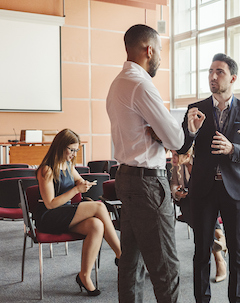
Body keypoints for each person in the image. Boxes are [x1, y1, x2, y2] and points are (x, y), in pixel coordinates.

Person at [106, 24, 184, 302]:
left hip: (125, 177)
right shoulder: (141, 84)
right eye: (160, 50)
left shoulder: (117, 84)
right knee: (166, 268)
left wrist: (157, 132)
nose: (161, 57)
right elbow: (176, 138)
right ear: (149, 50)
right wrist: (180, 131)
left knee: (131, 262)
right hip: (148, 183)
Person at [178, 53, 240, 303]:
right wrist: (190, 133)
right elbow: (181, 148)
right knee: (201, 251)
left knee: (238, 253)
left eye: (220, 72)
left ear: (233, 77)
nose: (213, 76)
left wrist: (233, 150)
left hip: (234, 190)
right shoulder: (196, 109)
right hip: (202, 190)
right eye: (211, 71)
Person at [34, 128, 121, 297]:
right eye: (71, 150)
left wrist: (84, 183)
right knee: (99, 207)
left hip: (65, 214)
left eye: (76, 150)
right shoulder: (46, 170)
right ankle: (121, 255)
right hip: (49, 217)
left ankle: (84, 276)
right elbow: (50, 204)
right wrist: (76, 190)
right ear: (60, 147)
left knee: (96, 225)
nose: (74, 154)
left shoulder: (68, 165)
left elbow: (79, 180)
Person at [169, 149, 228, 283]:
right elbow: (173, 183)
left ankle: (219, 256)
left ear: (187, 155)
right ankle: (221, 243)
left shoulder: (201, 162)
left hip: (205, 199)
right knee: (197, 217)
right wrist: (176, 192)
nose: (172, 157)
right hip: (187, 202)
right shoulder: (177, 167)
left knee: (205, 216)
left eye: (176, 155)